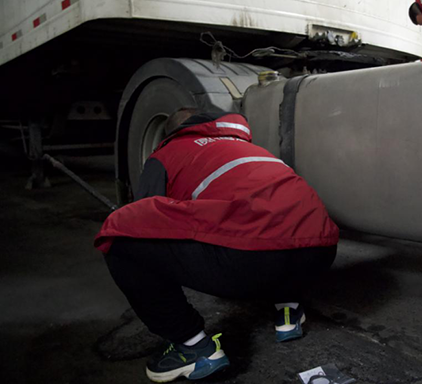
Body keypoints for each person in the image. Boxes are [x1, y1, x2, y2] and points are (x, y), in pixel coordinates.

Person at [95, 108, 339, 382]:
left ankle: (193, 347)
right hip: (321, 252)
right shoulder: (251, 148)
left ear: (171, 134)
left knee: (120, 235)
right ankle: (288, 308)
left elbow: (148, 217)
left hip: (252, 262)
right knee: (275, 230)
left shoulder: (166, 153)